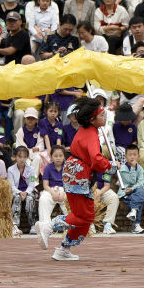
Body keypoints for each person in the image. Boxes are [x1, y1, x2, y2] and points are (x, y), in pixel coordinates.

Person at [34, 96, 114, 260]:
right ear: (93, 119)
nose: (104, 117)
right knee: (84, 216)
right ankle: (49, 226)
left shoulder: (87, 131)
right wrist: (111, 165)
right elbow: (96, 159)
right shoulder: (91, 134)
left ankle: (64, 249)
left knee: (85, 218)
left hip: (75, 172)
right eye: (102, 115)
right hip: (79, 174)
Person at [118, 144, 144, 234]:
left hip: (135, 192)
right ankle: (136, 225)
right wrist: (134, 168)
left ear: (138, 156)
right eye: (130, 155)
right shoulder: (122, 168)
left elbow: (140, 183)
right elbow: (131, 180)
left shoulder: (140, 169)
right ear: (125, 156)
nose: (132, 157)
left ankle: (133, 211)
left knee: (141, 191)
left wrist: (133, 189)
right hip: (125, 193)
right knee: (139, 200)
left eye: (134, 155)